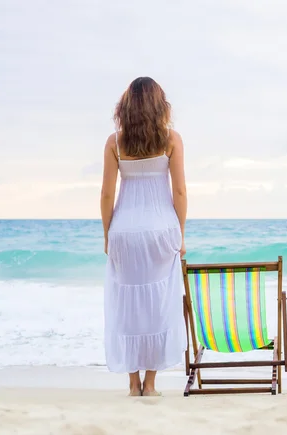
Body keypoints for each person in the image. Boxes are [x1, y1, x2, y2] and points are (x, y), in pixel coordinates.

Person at [100, 77, 188, 396]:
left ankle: (132, 384)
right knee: (158, 305)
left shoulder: (115, 142)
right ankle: (150, 385)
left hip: (124, 231)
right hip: (161, 229)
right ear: (159, 105)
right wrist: (181, 234)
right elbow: (179, 190)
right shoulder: (171, 139)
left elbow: (107, 194)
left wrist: (108, 235)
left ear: (126, 107)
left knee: (127, 305)